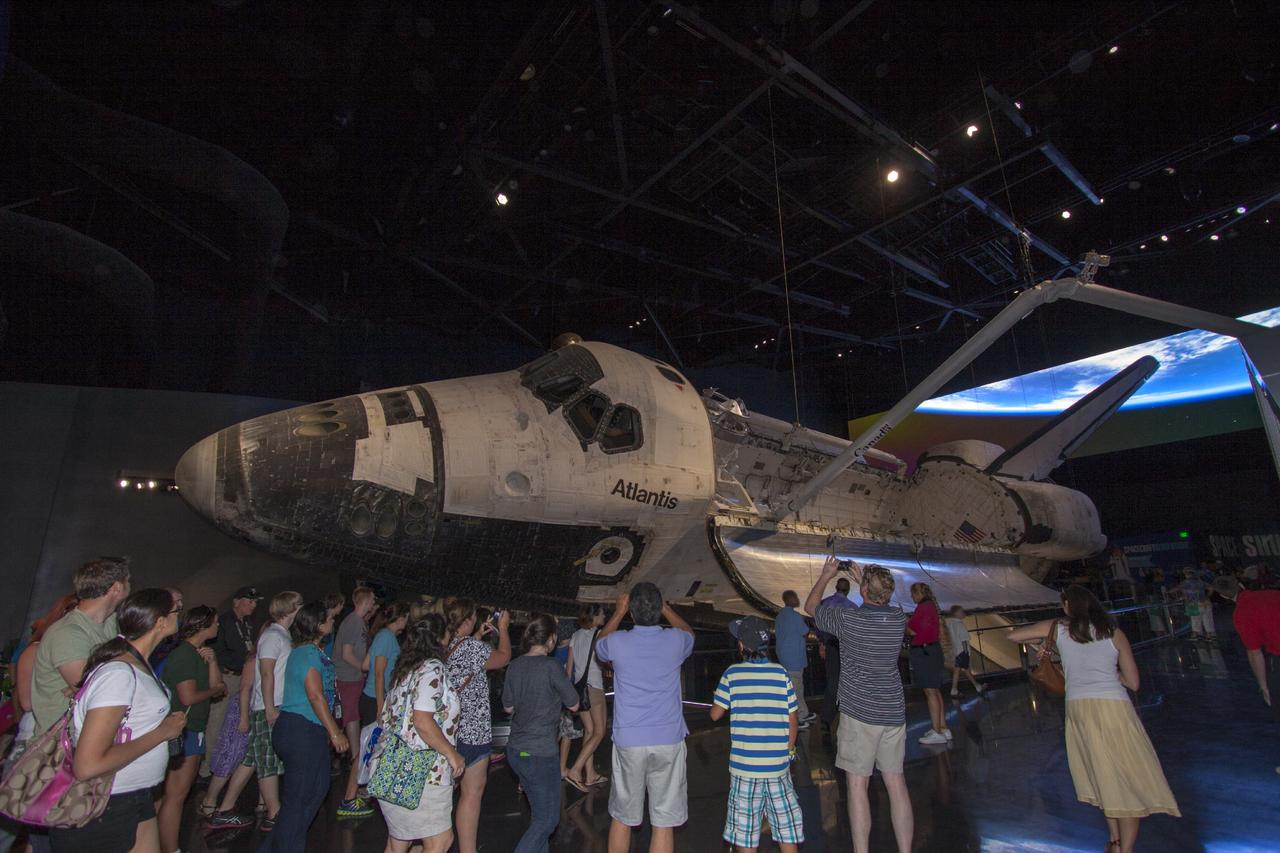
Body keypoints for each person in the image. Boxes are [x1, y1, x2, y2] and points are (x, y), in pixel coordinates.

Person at [1008, 585, 1180, 853]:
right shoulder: (1114, 633)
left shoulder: (1060, 629)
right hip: (1113, 709)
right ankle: (1125, 849)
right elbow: (1133, 683)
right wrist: (1112, 676)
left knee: (1102, 776)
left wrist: (1044, 645)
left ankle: (1114, 841)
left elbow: (1013, 635)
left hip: (1079, 710)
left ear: (1068, 606)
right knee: (1126, 779)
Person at [50, 588, 188, 853]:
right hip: (103, 803)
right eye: (176, 611)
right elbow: (88, 765)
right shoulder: (119, 673)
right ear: (160, 621)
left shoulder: (137, 667)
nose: (179, 616)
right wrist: (162, 733)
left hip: (134, 796)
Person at [804, 557, 912, 853]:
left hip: (859, 713)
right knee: (896, 783)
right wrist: (867, 581)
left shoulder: (849, 620)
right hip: (892, 711)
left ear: (863, 590)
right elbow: (886, 601)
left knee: (856, 786)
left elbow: (811, 608)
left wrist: (827, 575)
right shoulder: (898, 618)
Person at [595, 582, 695, 853]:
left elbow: (600, 645)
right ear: (659, 610)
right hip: (668, 738)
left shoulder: (618, 642)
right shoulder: (675, 640)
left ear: (632, 612)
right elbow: (688, 632)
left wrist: (617, 612)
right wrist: (666, 608)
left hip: (630, 739)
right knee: (663, 821)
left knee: (623, 816)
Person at [209, 590, 304, 830]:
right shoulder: (274, 635)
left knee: (251, 759)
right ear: (292, 608)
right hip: (267, 706)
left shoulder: (281, 634)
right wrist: (271, 707)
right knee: (268, 760)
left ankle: (224, 809)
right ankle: (275, 812)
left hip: (269, 704)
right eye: (299, 605)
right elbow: (266, 672)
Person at [710, 616, 803, 853]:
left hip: (744, 769)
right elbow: (793, 719)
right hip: (777, 767)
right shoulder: (781, 673)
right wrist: (789, 751)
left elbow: (715, 715)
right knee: (786, 828)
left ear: (741, 645)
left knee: (745, 834)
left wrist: (721, 697)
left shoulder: (732, 674)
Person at [371, 614, 463, 853]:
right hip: (421, 770)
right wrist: (452, 754)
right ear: (441, 638)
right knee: (439, 841)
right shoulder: (433, 668)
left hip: (390, 766)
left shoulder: (405, 670)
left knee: (399, 841)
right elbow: (422, 720)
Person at [262, 600, 348, 853]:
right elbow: (315, 695)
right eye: (329, 619)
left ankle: (273, 847)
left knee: (316, 789)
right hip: (301, 728)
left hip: (306, 729)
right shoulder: (307, 653)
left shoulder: (309, 651)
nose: (333, 622)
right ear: (319, 625)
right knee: (298, 800)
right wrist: (335, 731)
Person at [502, 614, 581, 853]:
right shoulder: (551, 667)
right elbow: (575, 703)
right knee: (547, 821)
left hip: (517, 751)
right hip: (541, 754)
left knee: (539, 817)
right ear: (551, 639)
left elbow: (508, 706)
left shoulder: (515, 665)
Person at [442, 598, 512, 853]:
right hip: (473, 731)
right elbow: (503, 658)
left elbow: (466, 667)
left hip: (451, 731)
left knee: (448, 792)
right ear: (468, 619)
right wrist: (503, 628)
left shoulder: (447, 645)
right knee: (472, 794)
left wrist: (478, 639)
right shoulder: (470, 647)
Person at [31, 557, 131, 735]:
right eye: (128, 580)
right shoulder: (68, 633)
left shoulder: (111, 624)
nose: (130, 585)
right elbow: (92, 690)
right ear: (116, 587)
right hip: (63, 747)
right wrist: (96, 679)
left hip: (91, 734)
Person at [157, 605, 227, 853]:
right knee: (176, 795)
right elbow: (188, 697)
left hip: (194, 728)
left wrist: (212, 662)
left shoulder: (199, 653)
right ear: (203, 624)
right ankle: (170, 848)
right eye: (215, 622)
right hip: (183, 730)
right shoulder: (184, 655)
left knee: (174, 794)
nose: (218, 626)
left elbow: (219, 684)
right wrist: (215, 691)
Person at [1212, 575, 1280, 772]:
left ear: (1224, 597)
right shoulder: (1273, 593)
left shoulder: (1241, 613)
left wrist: (1263, 685)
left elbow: (1255, 653)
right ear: (1241, 585)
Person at [10, 593, 79, 765]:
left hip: (66, 739)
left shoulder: (79, 653)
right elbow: (26, 702)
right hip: (35, 737)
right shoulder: (35, 650)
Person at [203, 586, 261, 779]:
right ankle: (209, 767)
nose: (253, 605)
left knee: (237, 721)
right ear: (237, 602)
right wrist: (240, 663)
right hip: (228, 676)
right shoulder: (225, 622)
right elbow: (219, 651)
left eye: (255, 602)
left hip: (243, 676)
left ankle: (230, 761)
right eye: (249, 601)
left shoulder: (247, 624)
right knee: (217, 720)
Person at [199, 648, 257, 820]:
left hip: (253, 709)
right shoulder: (255, 658)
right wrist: (244, 718)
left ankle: (226, 805)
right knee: (229, 756)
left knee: (248, 758)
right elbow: (245, 688)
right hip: (241, 710)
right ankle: (209, 801)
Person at [335, 586, 377, 819]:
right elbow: (347, 652)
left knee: (355, 719)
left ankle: (357, 762)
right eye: (372, 600)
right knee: (351, 719)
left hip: (355, 678)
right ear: (366, 599)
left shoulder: (359, 622)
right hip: (348, 679)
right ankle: (355, 759)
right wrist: (363, 669)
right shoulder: (352, 621)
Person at [566, 604, 608, 790]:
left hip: (579, 689)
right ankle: (576, 769)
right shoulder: (598, 635)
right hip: (594, 688)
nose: (604, 615)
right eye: (602, 613)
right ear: (595, 617)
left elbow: (569, 669)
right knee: (599, 732)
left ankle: (590, 775)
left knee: (589, 732)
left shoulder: (575, 636)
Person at [907, 582, 950, 745]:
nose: (912, 597)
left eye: (913, 594)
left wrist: (906, 623)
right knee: (935, 690)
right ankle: (942, 726)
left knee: (930, 691)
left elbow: (913, 630)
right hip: (933, 650)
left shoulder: (922, 608)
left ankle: (937, 731)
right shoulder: (931, 606)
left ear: (918, 593)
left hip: (924, 652)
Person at [361, 601, 410, 729]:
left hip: (371, 696)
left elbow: (365, 665)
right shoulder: (387, 637)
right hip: (375, 698)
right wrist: (380, 706)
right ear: (400, 618)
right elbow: (379, 673)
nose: (407, 622)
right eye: (406, 618)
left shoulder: (382, 635)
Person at [815, 576, 854, 731]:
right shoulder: (852, 606)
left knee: (832, 680)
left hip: (831, 645)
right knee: (848, 681)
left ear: (836, 587)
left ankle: (826, 717)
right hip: (847, 646)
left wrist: (822, 643)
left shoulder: (825, 603)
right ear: (848, 590)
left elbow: (818, 625)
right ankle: (846, 715)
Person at [774, 590, 815, 728]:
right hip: (794, 657)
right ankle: (797, 718)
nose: (797, 599)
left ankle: (803, 712)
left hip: (784, 656)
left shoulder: (780, 616)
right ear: (790, 600)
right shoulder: (795, 616)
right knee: (796, 687)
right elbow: (804, 632)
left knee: (795, 686)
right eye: (795, 597)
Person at [945, 605, 985, 698]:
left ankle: (956, 689)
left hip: (956, 650)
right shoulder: (960, 625)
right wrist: (966, 651)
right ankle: (976, 687)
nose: (963, 613)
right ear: (956, 613)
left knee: (959, 670)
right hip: (962, 651)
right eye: (961, 612)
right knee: (964, 669)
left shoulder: (951, 624)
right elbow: (964, 639)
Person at [1178, 568, 1216, 642]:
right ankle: (1209, 635)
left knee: (1195, 619)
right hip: (1205, 603)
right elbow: (1211, 588)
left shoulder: (1187, 583)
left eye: (1186, 574)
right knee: (1207, 619)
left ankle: (1197, 635)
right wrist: (1207, 596)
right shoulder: (1201, 582)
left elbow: (1185, 594)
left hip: (1195, 604)